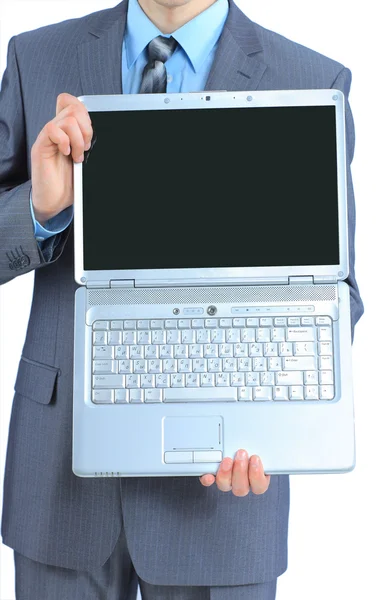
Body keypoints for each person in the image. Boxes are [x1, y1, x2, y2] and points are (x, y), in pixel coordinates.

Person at [0, 0, 364, 598]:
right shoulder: (38, 57)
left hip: (225, 500)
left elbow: (333, 291)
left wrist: (266, 397)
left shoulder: (309, 78)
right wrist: (40, 211)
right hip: (60, 477)